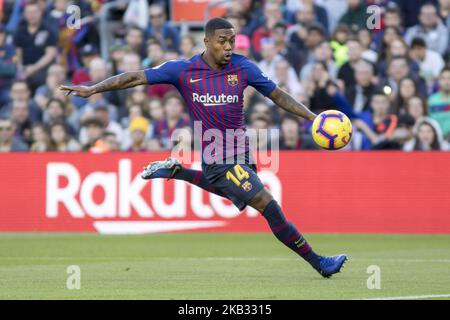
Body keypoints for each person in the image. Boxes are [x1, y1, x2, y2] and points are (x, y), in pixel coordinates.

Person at [60, 17, 347, 278]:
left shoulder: (243, 67)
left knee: (231, 192)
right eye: (222, 41)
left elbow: (278, 96)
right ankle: (318, 262)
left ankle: (177, 172)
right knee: (268, 206)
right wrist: (94, 88)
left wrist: (314, 118)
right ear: (207, 41)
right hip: (218, 157)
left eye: (232, 40)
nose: (229, 46)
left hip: (241, 152)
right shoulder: (183, 70)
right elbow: (135, 77)